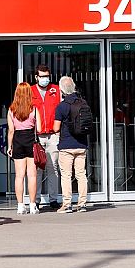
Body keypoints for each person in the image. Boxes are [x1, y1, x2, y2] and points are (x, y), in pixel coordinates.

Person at [53, 76, 89, 213]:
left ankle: (67, 204)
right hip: (81, 144)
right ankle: (82, 204)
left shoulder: (62, 106)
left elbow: (56, 128)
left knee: (66, 175)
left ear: (61, 89)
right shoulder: (83, 103)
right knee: (81, 174)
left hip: (66, 145)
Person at [8, 82, 43, 215]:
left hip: (17, 141)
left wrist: (10, 146)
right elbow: (38, 129)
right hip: (31, 141)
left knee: (19, 176)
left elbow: (11, 131)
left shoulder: (11, 110)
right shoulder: (34, 109)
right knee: (32, 175)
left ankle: (20, 205)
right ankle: (33, 205)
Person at [31, 64, 62, 210]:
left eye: (47, 76)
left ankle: (53, 199)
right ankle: (35, 199)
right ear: (36, 77)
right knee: (37, 168)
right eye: (42, 76)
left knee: (53, 167)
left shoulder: (56, 90)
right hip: (37, 136)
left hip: (53, 134)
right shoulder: (30, 91)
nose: (45, 79)